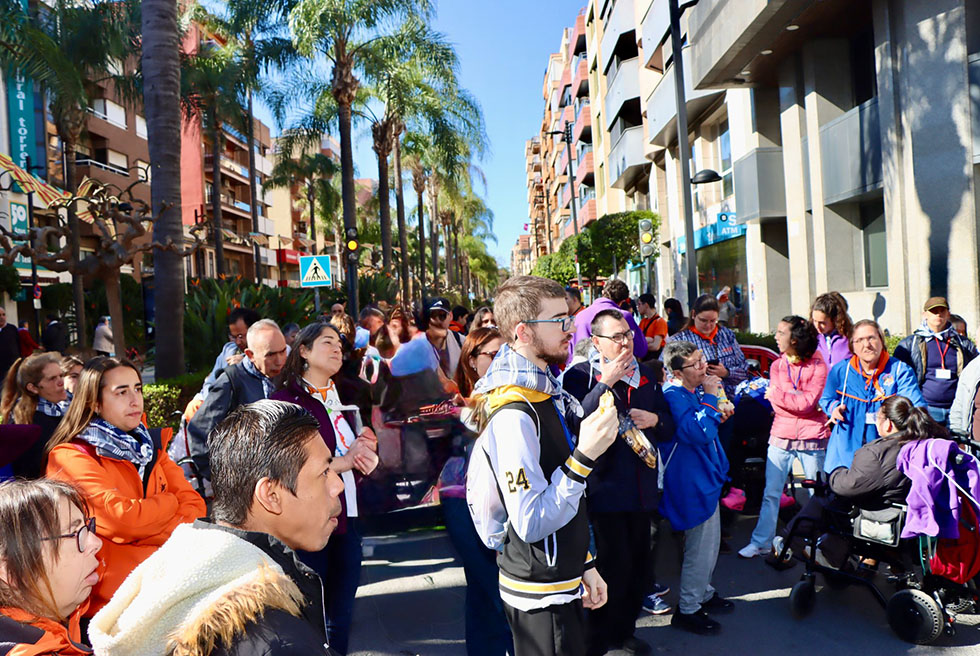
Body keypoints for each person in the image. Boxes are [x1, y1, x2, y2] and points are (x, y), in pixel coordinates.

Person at [89, 401, 345, 655]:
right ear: (271, 495)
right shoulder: (275, 641)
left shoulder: (185, 566)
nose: (337, 485)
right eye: (324, 472)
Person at [472, 275, 618, 656]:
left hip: (559, 581)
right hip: (539, 593)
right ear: (523, 332)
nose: (571, 329)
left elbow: (562, 491)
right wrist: (584, 457)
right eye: (559, 320)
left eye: (569, 317)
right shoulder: (514, 412)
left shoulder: (544, 390)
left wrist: (585, 562)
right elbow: (531, 520)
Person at [44, 356, 206, 615]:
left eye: (137, 388)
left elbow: (196, 509)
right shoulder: (70, 456)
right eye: (121, 392)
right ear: (95, 403)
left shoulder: (150, 447)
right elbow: (124, 520)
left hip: (169, 584)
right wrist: (170, 502)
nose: (135, 400)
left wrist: (143, 526)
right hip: (110, 603)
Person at [563, 310, 675, 656]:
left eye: (627, 334)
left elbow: (670, 426)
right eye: (616, 337)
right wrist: (606, 382)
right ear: (596, 342)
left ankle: (625, 632)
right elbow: (576, 418)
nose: (625, 341)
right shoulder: (580, 376)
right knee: (610, 569)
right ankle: (597, 641)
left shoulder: (646, 376)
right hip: (603, 490)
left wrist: (655, 418)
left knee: (640, 569)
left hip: (642, 489)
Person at [271, 322, 379, 655]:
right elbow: (289, 467)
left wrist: (365, 445)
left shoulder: (338, 392)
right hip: (309, 525)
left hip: (346, 518)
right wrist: (344, 462)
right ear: (303, 350)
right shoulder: (287, 401)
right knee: (310, 618)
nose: (337, 349)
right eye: (327, 342)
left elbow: (348, 444)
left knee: (340, 616)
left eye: (339, 344)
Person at [779, 396, 944, 566]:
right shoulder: (925, 443)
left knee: (826, 498)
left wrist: (836, 472)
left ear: (888, 424)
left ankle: (795, 546)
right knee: (838, 501)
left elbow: (848, 486)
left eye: (877, 418)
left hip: (883, 519)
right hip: (912, 512)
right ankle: (818, 550)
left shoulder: (878, 452)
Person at [442, 326, 513, 656]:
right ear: (471, 360)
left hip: (500, 501)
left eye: (504, 353)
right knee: (495, 592)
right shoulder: (452, 399)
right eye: (492, 354)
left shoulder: (510, 391)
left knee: (483, 594)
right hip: (461, 501)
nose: (500, 360)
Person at [660, 341, 734, 635]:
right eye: (696, 364)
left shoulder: (693, 391)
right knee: (699, 547)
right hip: (689, 481)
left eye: (702, 359)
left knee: (709, 542)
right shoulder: (673, 395)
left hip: (704, 476)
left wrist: (714, 402)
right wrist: (712, 397)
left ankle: (703, 592)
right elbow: (698, 432)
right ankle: (688, 608)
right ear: (677, 373)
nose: (704, 366)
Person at [738, 317, 828, 559]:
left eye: (780, 332)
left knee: (816, 494)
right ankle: (761, 542)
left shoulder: (819, 364)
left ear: (795, 339)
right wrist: (790, 399)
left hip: (812, 436)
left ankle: (820, 542)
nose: (776, 337)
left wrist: (779, 395)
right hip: (781, 434)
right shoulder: (778, 365)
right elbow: (790, 405)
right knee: (771, 493)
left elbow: (809, 403)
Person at [0, 479, 102, 655]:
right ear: (11, 571)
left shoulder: (63, 624)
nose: (96, 543)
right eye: (75, 534)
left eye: (86, 528)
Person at [819, 319, 927, 472]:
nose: (866, 345)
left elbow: (915, 406)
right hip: (845, 451)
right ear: (852, 346)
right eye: (860, 340)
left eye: (871, 338)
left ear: (881, 341)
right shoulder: (841, 371)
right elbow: (826, 399)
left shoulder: (899, 370)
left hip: (887, 451)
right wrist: (834, 408)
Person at [187, 319, 288, 481]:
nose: (279, 360)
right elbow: (200, 431)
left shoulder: (286, 376)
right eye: (270, 355)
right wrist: (225, 480)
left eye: (283, 351)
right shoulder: (231, 380)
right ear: (250, 355)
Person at [667, 294, 749, 451]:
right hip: (698, 408)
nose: (708, 326)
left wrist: (726, 373)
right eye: (703, 320)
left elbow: (744, 370)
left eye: (713, 321)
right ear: (693, 315)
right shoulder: (679, 341)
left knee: (727, 455)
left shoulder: (726, 335)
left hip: (729, 407)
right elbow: (670, 375)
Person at [893, 296, 978, 426]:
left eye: (942, 310)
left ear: (948, 314)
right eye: (934, 311)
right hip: (927, 409)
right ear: (924, 314)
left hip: (956, 409)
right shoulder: (910, 344)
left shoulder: (963, 344)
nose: (938, 314)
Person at [0, 353, 70, 478]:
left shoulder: (63, 409)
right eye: (52, 379)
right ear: (33, 388)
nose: (61, 382)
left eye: (61, 375)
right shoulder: (32, 422)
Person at [194, 307, 261, 406]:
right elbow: (211, 382)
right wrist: (209, 400)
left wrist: (247, 362)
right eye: (234, 337)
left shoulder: (269, 353)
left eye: (241, 336)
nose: (238, 342)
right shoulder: (229, 350)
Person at [569, 279, 648, 363]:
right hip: (615, 370)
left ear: (603, 292)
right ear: (623, 301)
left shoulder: (580, 316)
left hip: (580, 371)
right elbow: (641, 349)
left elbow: (569, 352)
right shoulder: (623, 316)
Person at [810, 292, 853, 370]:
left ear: (835, 320)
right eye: (814, 321)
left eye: (822, 323)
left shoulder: (849, 337)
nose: (817, 326)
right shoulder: (812, 338)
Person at [423, 297, 462, 379]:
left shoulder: (460, 340)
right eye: (433, 316)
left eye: (442, 316)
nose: (437, 320)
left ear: (450, 316)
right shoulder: (419, 343)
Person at [637, 293, 668, 361]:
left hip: (656, 360)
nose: (637, 307)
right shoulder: (643, 322)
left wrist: (642, 346)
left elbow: (656, 346)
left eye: (639, 304)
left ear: (646, 305)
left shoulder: (660, 322)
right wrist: (649, 340)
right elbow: (637, 341)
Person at [0, 307, 21, 383]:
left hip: (12, 366)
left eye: (3, 314)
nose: (2, 317)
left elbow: (18, 345)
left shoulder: (12, 328)